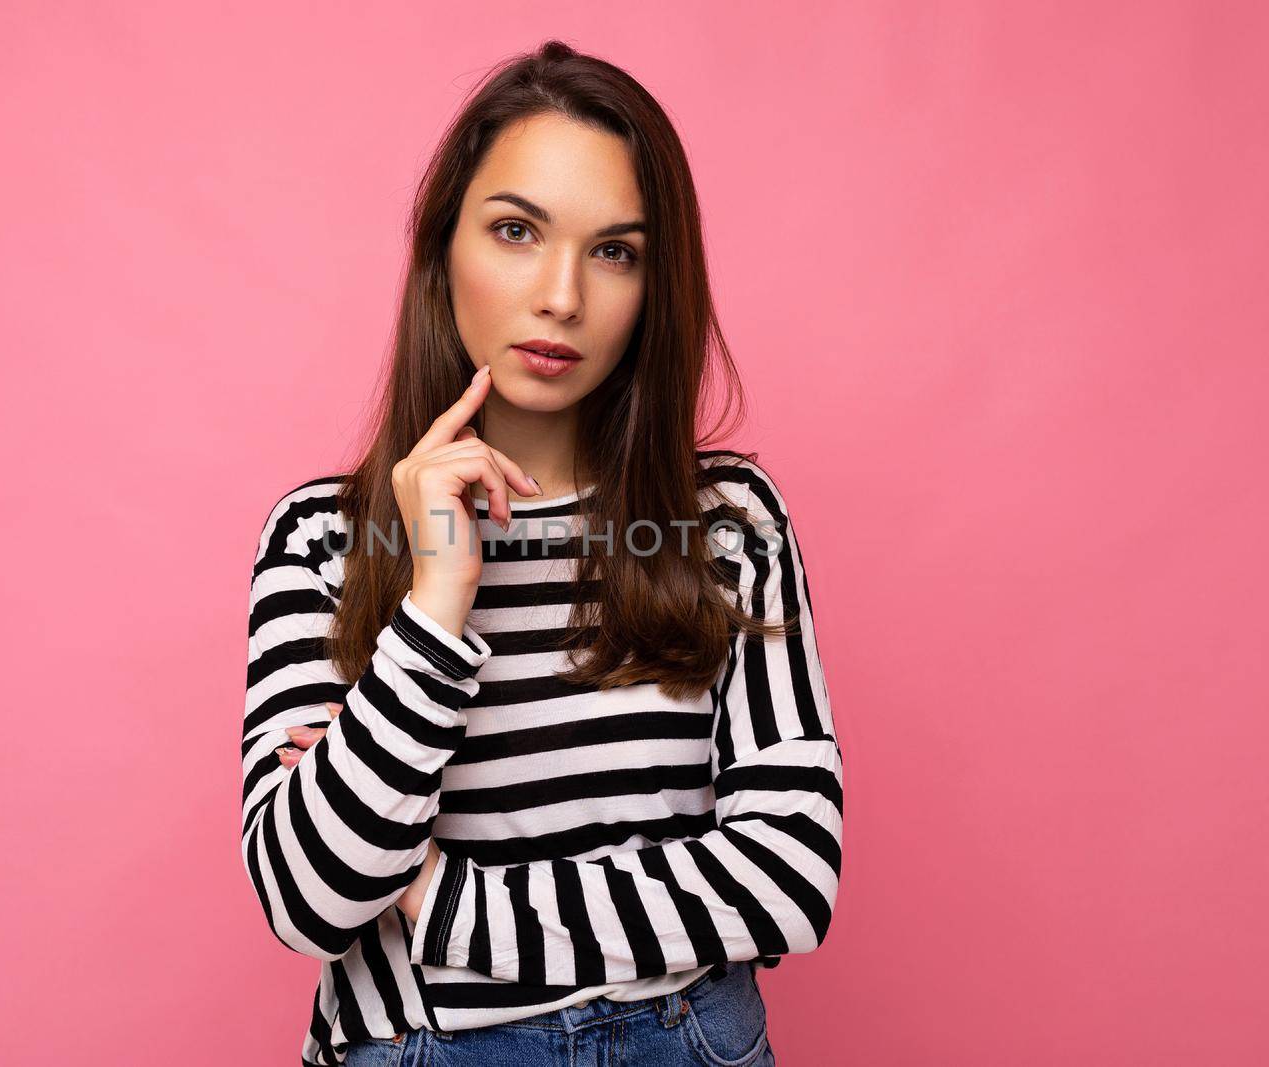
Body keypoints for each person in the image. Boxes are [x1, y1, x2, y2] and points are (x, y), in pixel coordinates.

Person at [242, 40, 842, 1066]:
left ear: (656, 284)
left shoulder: (726, 520)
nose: (561, 294)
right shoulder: (322, 539)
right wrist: (436, 599)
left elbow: (789, 874)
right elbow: (310, 898)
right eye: (517, 231)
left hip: (687, 1043)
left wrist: (443, 899)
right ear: (442, 247)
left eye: (615, 250)